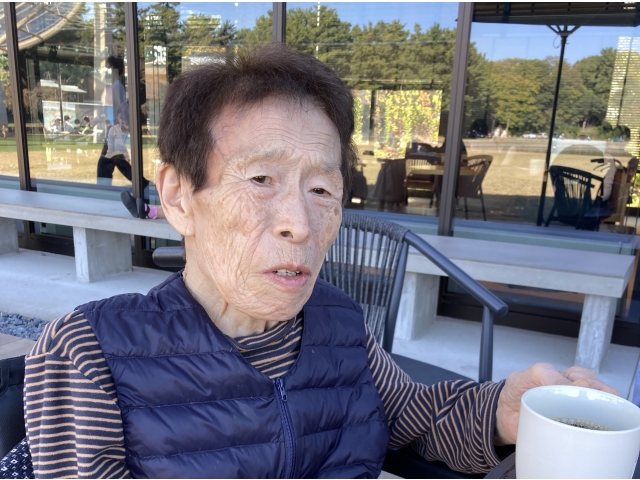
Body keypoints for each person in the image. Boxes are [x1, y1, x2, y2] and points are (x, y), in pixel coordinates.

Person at [22, 44, 616, 479]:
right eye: (261, 179)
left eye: (323, 190)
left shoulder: (340, 325)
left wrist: (501, 410)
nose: (300, 224)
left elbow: (418, 418)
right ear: (179, 196)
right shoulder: (92, 352)